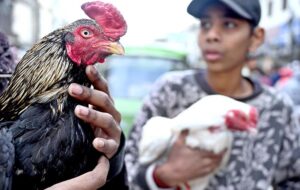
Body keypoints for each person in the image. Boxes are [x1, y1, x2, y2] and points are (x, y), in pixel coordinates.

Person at [125, 0, 300, 189]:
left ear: (256, 38)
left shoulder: (278, 108)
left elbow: (293, 180)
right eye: (205, 24)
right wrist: (162, 176)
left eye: (229, 25)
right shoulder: (170, 91)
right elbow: (126, 170)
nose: (212, 35)